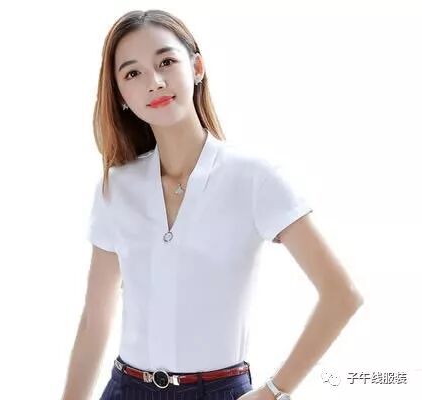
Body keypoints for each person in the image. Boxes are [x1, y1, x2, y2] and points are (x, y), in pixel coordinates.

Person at [61, 9, 364, 400]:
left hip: (218, 390)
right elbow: (94, 321)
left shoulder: (254, 178)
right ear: (121, 95)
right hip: (125, 389)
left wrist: (274, 391)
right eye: (133, 73)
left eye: (166, 62)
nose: (154, 82)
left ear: (197, 67)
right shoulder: (116, 187)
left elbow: (341, 295)